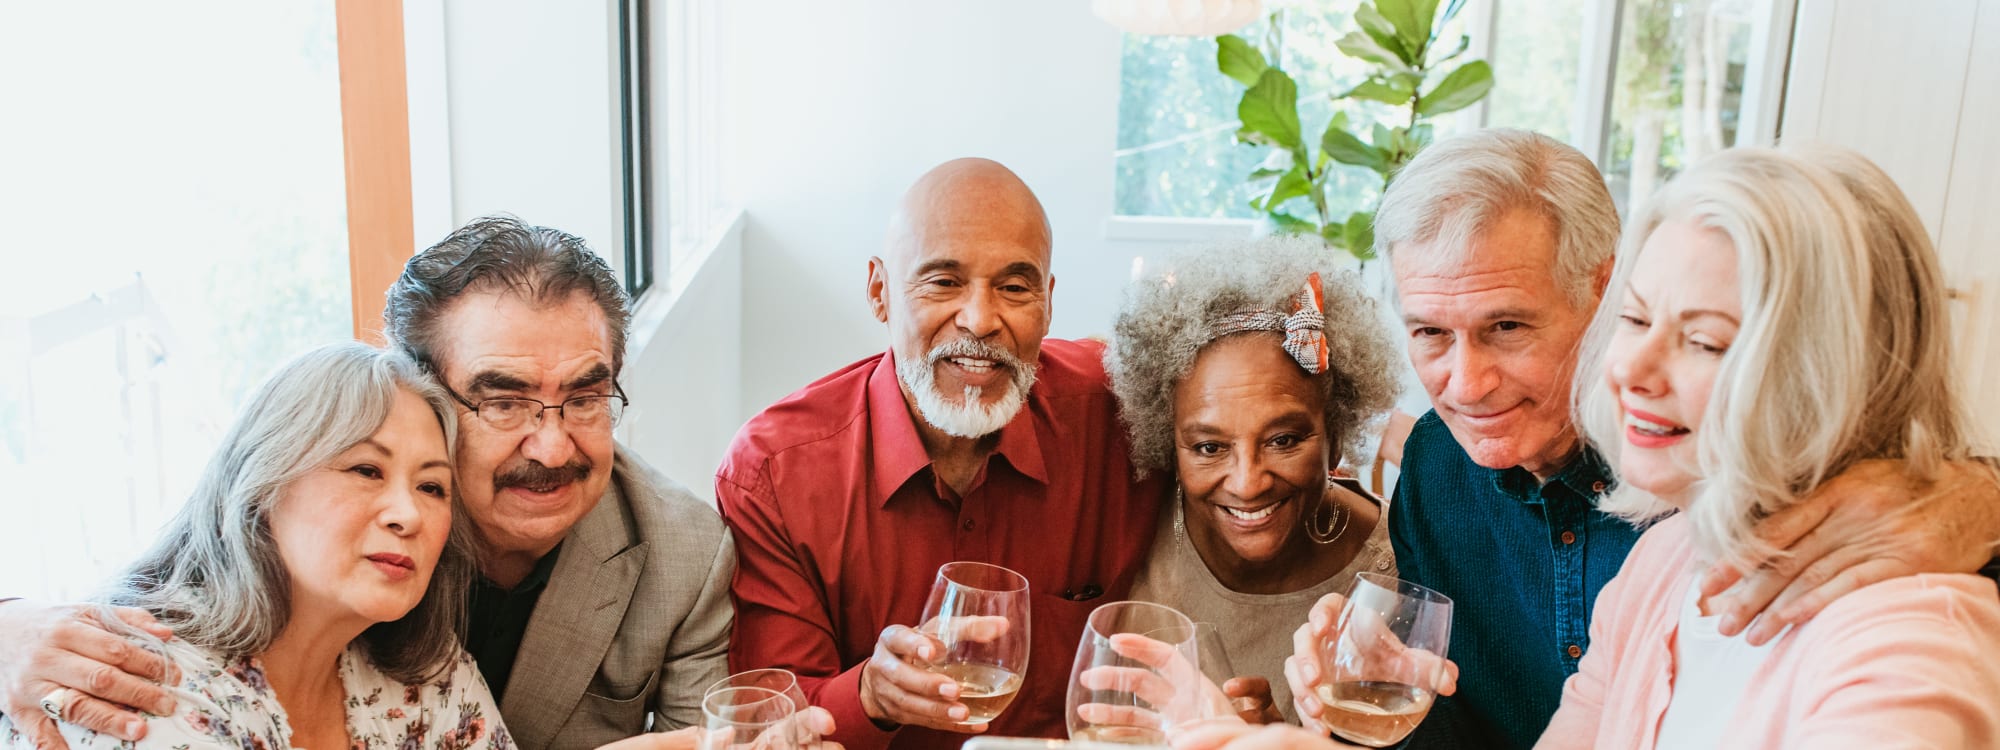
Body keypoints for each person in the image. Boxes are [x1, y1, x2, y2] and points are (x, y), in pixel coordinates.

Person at [1283, 128, 2000, 749]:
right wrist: (1378, 715)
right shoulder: (1659, 553)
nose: (1465, 385)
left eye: (1508, 327)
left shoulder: (1895, 613)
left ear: (1599, 291)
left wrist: (1984, 497)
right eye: (1431, 333)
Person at [0, 217, 740, 750]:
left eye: (584, 397)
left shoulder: (420, 667)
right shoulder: (327, 477)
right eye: (503, 400)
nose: (550, 445)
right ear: (420, 395)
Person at [1535, 146, 2000, 747]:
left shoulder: (1906, 644)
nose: (1632, 371)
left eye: (1705, 342)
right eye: (1635, 319)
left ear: (1833, 377)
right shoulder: (1663, 559)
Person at [717, 157, 1166, 749]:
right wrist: (871, 697)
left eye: (1013, 287)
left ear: (1048, 302)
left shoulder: (1121, 416)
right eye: (943, 282)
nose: (980, 321)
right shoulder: (774, 473)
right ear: (880, 292)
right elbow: (771, 721)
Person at [0, 343, 511, 749]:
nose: (407, 515)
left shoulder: (430, 676)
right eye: (365, 470)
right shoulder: (135, 680)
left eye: (431, 487)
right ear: (264, 486)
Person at [1112, 236, 1401, 724]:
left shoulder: (1396, 573)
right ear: (1168, 440)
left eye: (1283, 440)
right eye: (1209, 447)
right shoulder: (1130, 517)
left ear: (1337, 432)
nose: (1247, 484)